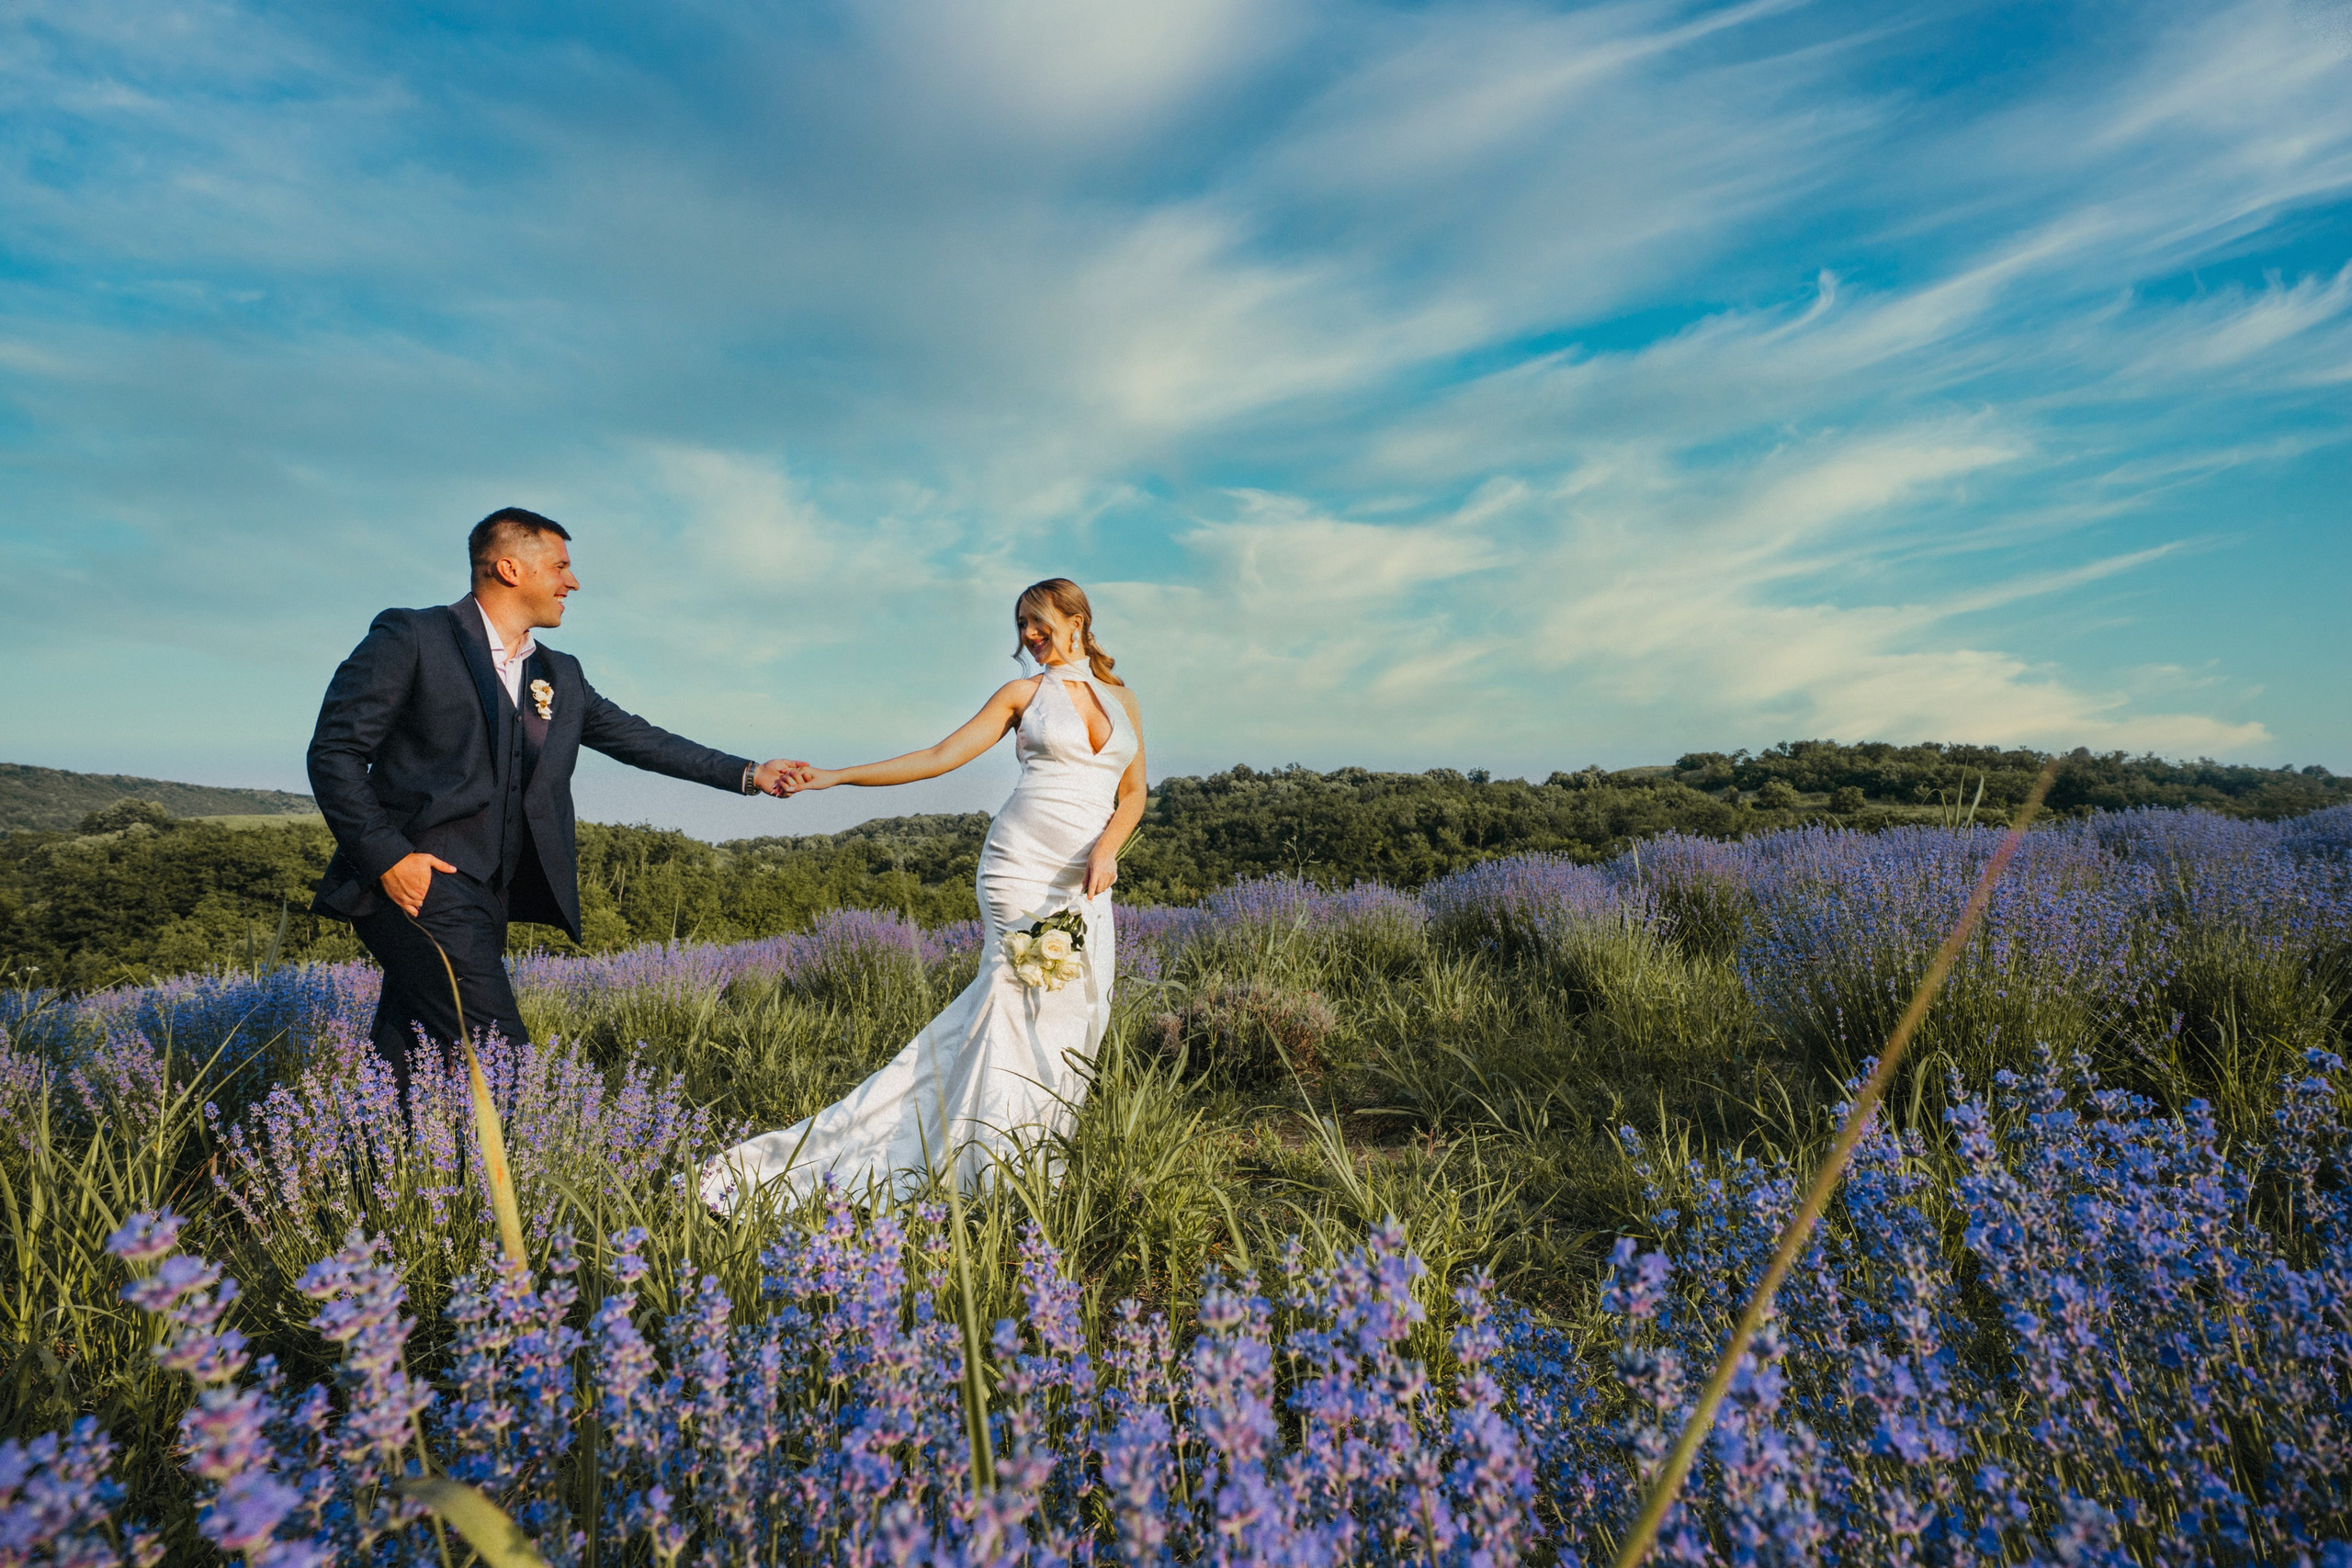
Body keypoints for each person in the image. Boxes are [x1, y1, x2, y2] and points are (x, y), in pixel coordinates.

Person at [306, 508, 809, 1101]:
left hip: (491, 894)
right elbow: (335, 751)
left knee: (408, 1052)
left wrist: (750, 773)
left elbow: (638, 738)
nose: (573, 583)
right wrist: (390, 858)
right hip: (422, 883)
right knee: (501, 1055)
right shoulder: (412, 636)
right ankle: (526, 1185)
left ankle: (367, 1180)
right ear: (510, 567)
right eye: (561, 566)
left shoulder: (558, 673)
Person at [703, 577, 1146, 1209]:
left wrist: (1108, 849)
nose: (1026, 635)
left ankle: (1035, 1154)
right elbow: (939, 755)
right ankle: (992, 1167)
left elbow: (1133, 794)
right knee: (1013, 1006)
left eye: (1037, 620)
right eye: (1020, 623)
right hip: (1020, 866)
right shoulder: (1024, 694)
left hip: (1087, 878)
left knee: (1075, 1011)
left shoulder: (1123, 699)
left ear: (1076, 618)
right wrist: (834, 778)